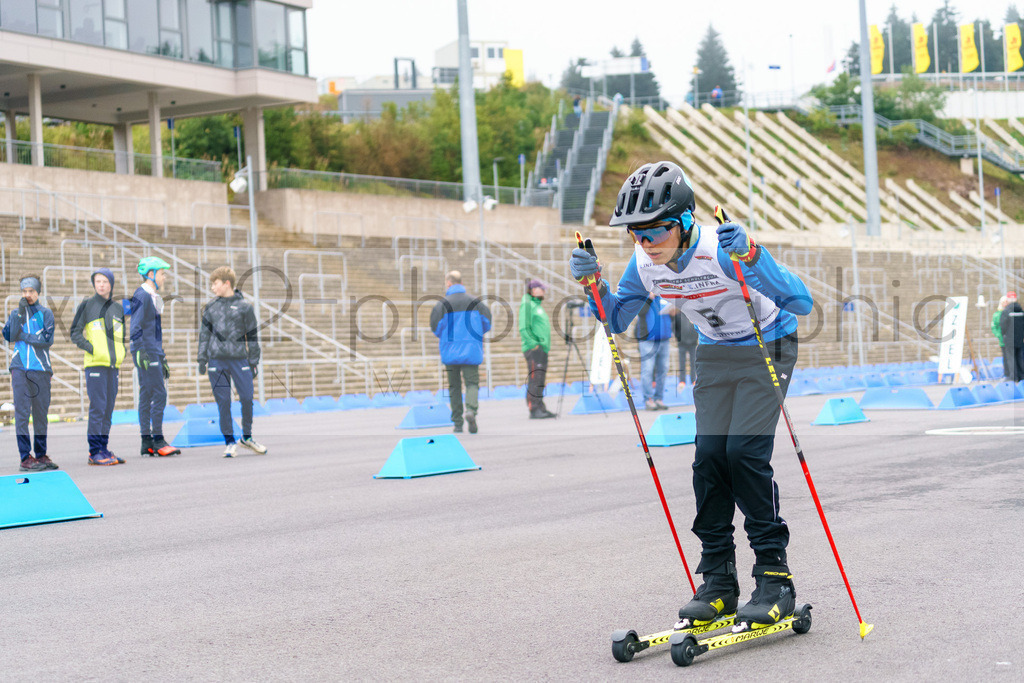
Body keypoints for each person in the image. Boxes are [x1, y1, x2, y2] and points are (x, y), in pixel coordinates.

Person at [569, 160, 813, 630]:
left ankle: (776, 577)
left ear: (683, 223)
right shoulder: (644, 264)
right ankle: (719, 581)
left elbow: (799, 303)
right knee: (708, 459)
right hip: (717, 351)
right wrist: (592, 283)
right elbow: (615, 319)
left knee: (743, 452)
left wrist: (753, 257)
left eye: (653, 232)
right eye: (635, 235)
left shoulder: (718, 253)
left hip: (769, 341)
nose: (644, 244)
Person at [197, 266, 266, 457]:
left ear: (227, 283)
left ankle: (247, 437)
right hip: (216, 361)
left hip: (239, 360)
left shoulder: (245, 307)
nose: (212, 288)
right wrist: (201, 359)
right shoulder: (210, 308)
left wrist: (254, 360)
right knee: (223, 401)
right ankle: (229, 442)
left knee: (246, 397)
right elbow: (204, 335)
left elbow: (252, 336)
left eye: (215, 283)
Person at [70, 268, 128, 466]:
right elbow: (75, 333)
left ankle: (104, 448)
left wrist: (122, 352)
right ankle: (94, 451)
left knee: (108, 409)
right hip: (95, 365)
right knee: (98, 407)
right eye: (98, 281)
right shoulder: (87, 305)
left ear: (111, 284)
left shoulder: (118, 309)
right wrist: (91, 348)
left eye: (104, 281)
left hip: (113, 366)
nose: (101, 284)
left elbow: (122, 336)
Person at [3, 275, 57, 472]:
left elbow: (46, 340)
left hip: (41, 369)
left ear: (38, 292)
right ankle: (25, 458)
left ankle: (41, 455)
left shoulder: (46, 313)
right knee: (22, 415)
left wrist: (23, 336)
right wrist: (18, 316)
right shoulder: (16, 312)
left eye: (31, 291)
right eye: (24, 291)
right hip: (20, 369)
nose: (27, 295)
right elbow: (9, 336)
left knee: (41, 415)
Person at [430, 271, 492, 434]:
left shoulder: (442, 304)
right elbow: (487, 323)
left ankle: (457, 423)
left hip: (450, 352)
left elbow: (435, 328)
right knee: (472, 384)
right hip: (471, 351)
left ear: (449, 283)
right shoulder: (475, 302)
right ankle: (471, 411)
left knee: (454, 387)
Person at [130, 256, 180, 457]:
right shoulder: (142, 295)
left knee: (147, 394)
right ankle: (158, 440)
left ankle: (146, 441)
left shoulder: (152, 296)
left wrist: (163, 356)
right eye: (161, 273)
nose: (164, 277)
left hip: (153, 350)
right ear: (150, 274)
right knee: (159, 393)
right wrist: (141, 350)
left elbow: (155, 330)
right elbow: (135, 325)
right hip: (146, 350)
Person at [520, 279, 555, 419]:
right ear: (533, 290)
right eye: (542, 288)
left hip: (542, 348)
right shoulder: (527, 305)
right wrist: (534, 343)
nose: (544, 291)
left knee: (540, 378)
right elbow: (523, 327)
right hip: (534, 348)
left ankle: (540, 406)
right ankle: (534, 407)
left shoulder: (536, 305)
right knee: (535, 378)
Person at [635, 293, 674, 410]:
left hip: (664, 339)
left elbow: (670, 316)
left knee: (663, 369)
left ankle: (659, 398)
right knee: (648, 370)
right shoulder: (642, 297)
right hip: (648, 340)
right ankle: (648, 399)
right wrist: (649, 298)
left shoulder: (665, 297)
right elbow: (640, 312)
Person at [1000, 291, 1024, 381]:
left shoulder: (1006, 311)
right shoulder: (1021, 311)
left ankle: (1013, 377)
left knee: (1011, 358)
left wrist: (1005, 336)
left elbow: (1003, 326)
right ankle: (1022, 377)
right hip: (1020, 339)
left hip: (1010, 340)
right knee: (1020, 357)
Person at [674, 304, 699, 389]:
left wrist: (695, 338)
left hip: (693, 343)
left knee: (693, 362)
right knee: (682, 362)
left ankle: (693, 380)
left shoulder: (693, 315)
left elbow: (698, 328)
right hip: (682, 343)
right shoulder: (678, 315)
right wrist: (679, 338)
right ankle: (682, 380)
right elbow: (675, 328)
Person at [993, 293, 1015, 379]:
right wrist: (1000, 335)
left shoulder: (1011, 312)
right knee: (1006, 358)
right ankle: (1007, 374)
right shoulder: (997, 314)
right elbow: (994, 326)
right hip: (1003, 340)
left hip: (1012, 338)